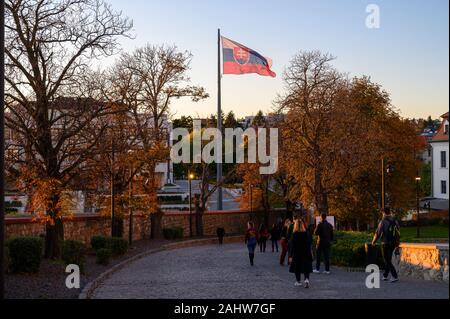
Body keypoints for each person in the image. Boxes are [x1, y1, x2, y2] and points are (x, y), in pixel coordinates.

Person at [372, 207, 401, 283]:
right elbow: (398, 232)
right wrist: (397, 243)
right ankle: (385, 275)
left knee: (387, 260)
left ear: (384, 213)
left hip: (385, 243)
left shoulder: (383, 221)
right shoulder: (395, 220)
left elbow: (378, 232)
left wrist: (373, 241)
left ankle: (394, 276)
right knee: (388, 259)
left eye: (382, 213)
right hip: (393, 243)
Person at [289, 218, 313, 288]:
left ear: (295, 225)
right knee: (306, 267)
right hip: (306, 253)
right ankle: (306, 279)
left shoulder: (294, 234)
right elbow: (309, 243)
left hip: (297, 253)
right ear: (302, 225)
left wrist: (290, 256)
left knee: (297, 268)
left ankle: (298, 281)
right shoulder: (306, 233)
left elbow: (292, 246)